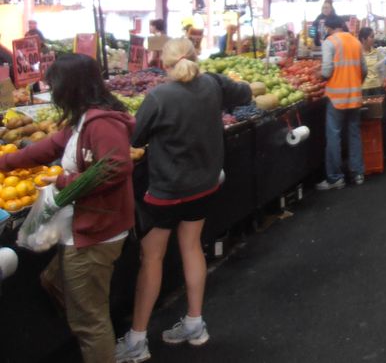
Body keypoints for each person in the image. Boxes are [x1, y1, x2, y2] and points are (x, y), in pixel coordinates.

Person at [116, 38, 252, 362]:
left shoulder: (159, 96)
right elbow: (245, 93)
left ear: (164, 64)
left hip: (165, 191)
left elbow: (135, 139)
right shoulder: (213, 84)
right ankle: (195, 324)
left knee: (152, 259)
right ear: (195, 58)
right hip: (204, 185)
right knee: (192, 247)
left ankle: (136, 341)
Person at [0, 54, 134, 363]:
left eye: (54, 84)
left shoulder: (101, 123)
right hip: (88, 227)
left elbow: (116, 166)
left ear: (70, 86)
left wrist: (64, 181)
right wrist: (4, 162)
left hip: (97, 232)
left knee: (90, 323)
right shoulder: (83, 118)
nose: (51, 90)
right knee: (56, 283)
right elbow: (43, 149)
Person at [318, 15, 367, 190]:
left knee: (334, 136)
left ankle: (335, 178)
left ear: (329, 28)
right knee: (354, 134)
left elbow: (326, 71)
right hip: (354, 95)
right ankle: (358, 173)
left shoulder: (330, 42)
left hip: (336, 97)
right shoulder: (355, 42)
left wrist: (318, 75)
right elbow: (364, 69)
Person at [360, 26, 386, 163]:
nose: (373, 39)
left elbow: (384, 70)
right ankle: (370, 155)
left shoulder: (377, 53)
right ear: (363, 39)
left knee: (384, 120)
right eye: (371, 37)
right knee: (367, 124)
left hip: (378, 89)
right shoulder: (358, 55)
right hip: (364, 91)